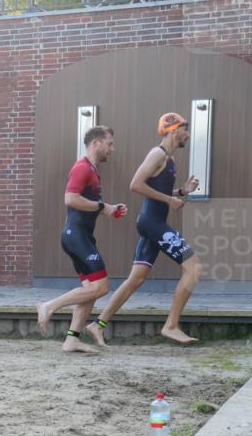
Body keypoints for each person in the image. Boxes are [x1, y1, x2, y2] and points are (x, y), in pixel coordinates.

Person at [87, 113, 201, 345]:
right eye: (184, 130)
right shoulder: (157, 154)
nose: (187, 135)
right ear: (172, 130)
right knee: (195, 268)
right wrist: (170, 201)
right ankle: (171, 326)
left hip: (152, 224)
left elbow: (156, 191)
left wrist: (180, 192)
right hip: (153, 224)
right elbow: (135, 185)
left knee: (135, 280)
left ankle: (97, 325)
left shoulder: (169, 161)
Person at [37, 126, 127, 353]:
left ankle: (72, 340)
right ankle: (49, 306)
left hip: (80, 237)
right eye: (110, 143)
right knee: (101, 287)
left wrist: (110, 209)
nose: (112, 149)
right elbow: (70, 199)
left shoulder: (93, 170)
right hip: (76, 237)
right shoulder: (82, 167)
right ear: (96, 143)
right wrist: (102, 206)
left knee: (90, 291)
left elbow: (88, 204)